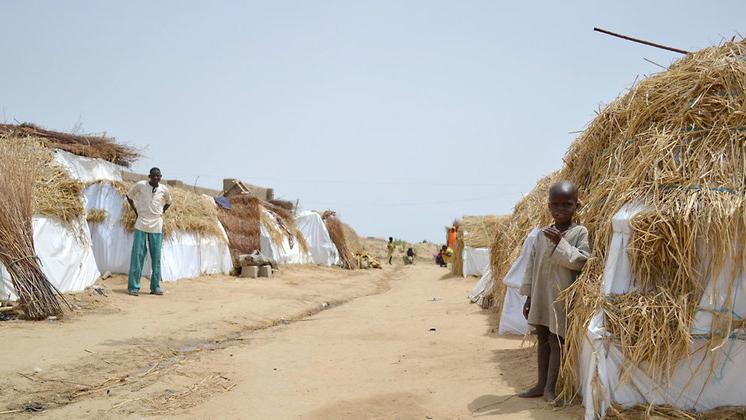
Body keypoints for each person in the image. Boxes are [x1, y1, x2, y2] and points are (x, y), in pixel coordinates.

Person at [518, 180, 590, 402]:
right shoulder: (541, 234)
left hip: (561, 296)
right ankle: (540, 384)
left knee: (556, 340)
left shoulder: (579, 232)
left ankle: (550, 387)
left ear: (576, 206)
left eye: (567, 204)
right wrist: (529, 297)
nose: (561, 209)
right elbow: (531, 266)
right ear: (549, 206)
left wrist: (561, 243)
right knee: (542, 338)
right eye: (555, 204)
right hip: (541, 295)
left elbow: (582, 261)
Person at [126, 167, 173, 296]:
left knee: (156, 256)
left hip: (156, 224)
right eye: (153, 175)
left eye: (158, 176)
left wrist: (161, 211)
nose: (156, 178)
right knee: (137, 255)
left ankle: (155, 287)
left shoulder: (164, 189)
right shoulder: (141, 185)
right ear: (149, 176)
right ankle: (133, 287)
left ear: (161, 177)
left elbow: (169, 202)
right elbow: (129, 196)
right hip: (141, 223)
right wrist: (136, 212)